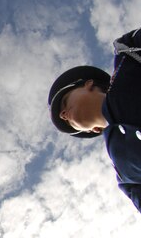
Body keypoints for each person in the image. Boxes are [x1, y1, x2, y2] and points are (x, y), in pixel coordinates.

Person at [48, 26, 141, 213]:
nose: (63, 114)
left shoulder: (129, 54)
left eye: (65, 102)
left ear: (88, 84)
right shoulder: (124, 173)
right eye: (67, 122)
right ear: (94, 130)